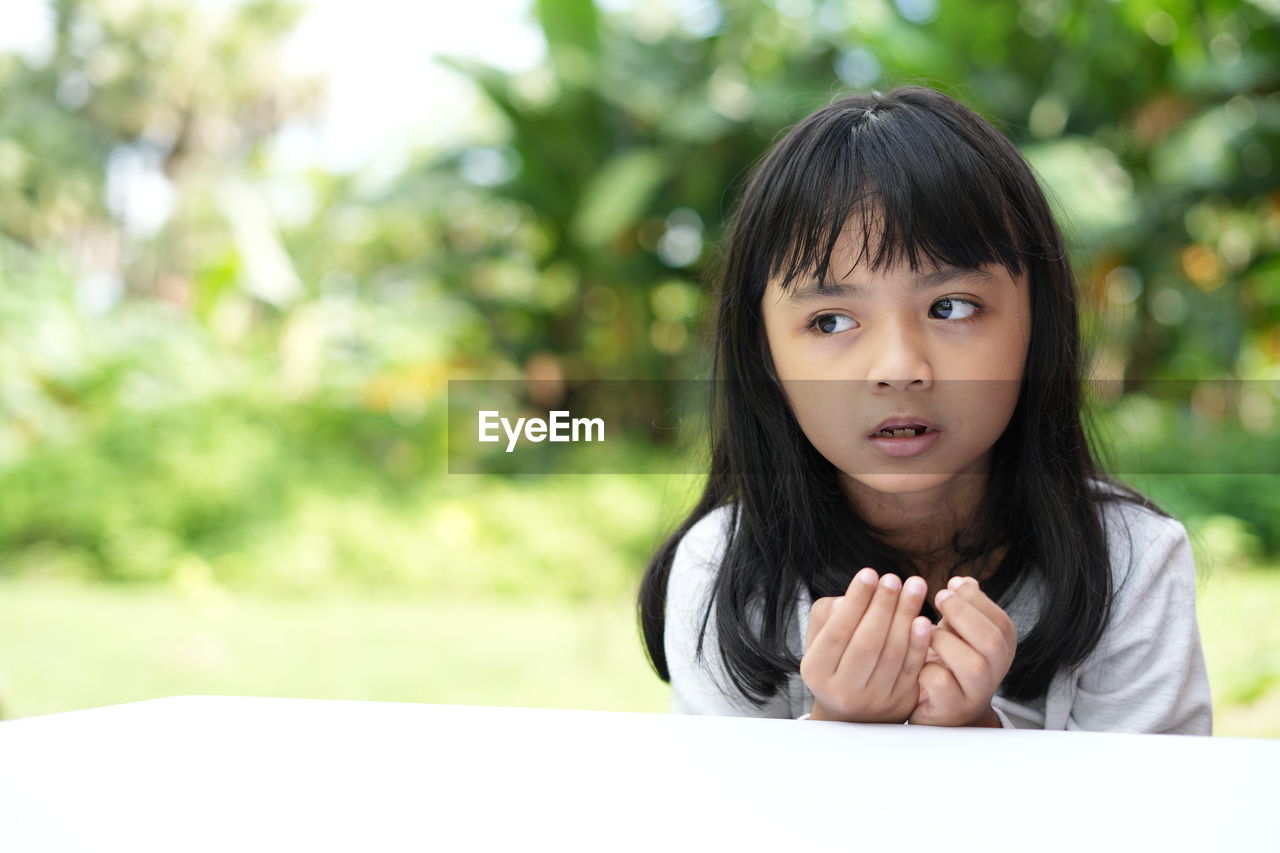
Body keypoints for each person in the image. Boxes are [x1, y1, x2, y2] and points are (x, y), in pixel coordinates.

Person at [635, 85, 1212, 734]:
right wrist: (836, 725)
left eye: (951, 306)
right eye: (830, 320)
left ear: (1038, 323)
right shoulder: (726, 570)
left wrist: (979, 738)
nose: (898, 367)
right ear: (763, 353)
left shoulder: (1130, 563)